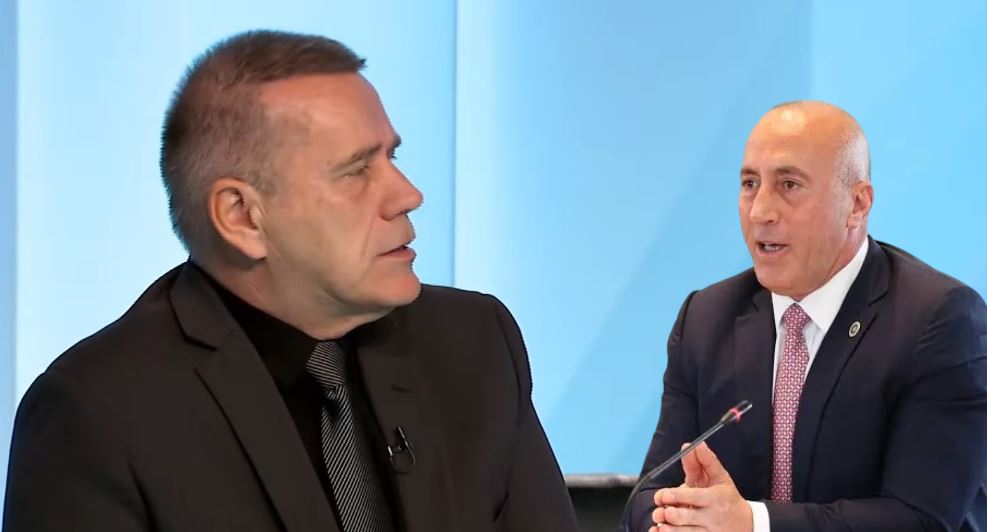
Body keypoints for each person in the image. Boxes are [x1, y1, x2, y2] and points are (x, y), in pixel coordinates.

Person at [3, 30, 577, 532]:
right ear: (242, 217)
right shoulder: (100, 414)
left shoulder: (474, 342)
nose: (408, 195)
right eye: (357, 171)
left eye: (392, 157)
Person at [631, 101, 987, 531]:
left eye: (789, 185)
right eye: (749, 183)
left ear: (857, 204)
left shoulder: (937, 320)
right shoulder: (706, 319)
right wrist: (676, 519)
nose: (760, 211)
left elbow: (921, 519)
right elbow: (648, 493)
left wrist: (753, 523)